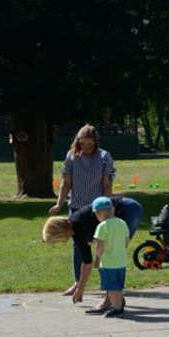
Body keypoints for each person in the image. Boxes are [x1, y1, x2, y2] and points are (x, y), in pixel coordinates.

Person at [42, 195, 144, 307]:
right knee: (109, 258)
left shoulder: (80, 224)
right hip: (125, 209)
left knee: (110, 257)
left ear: (59, 234)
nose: (59, 243)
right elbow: (87, 263)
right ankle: (115, 299)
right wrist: (80, 289)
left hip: (127, 208)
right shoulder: (76, 233)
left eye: (55, 240)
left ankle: (111, 300)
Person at [49, 124, 116, 295]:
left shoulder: (104, 156)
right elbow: (66, 183)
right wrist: (59, 203)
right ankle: (77, 282)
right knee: (78, 245)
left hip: (97, 209)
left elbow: (107, 184)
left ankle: (108, 283)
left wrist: (107, 205)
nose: (86, 147)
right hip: (76, 206)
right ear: (77, 141)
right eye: (83, 143)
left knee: (102, 243)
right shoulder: (72, 156)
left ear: (95, 142)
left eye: (90, 144)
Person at [89, 196, 130, 318]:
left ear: (98, 213)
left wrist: (97, 259)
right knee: (118, 287)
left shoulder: (102, 226)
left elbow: (100, 246)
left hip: (108, 262)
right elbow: (126, 242)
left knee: (111, 288)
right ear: (112, 210)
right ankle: (119, 305)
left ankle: (117, 309)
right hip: (121, 261)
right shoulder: (122, 223)